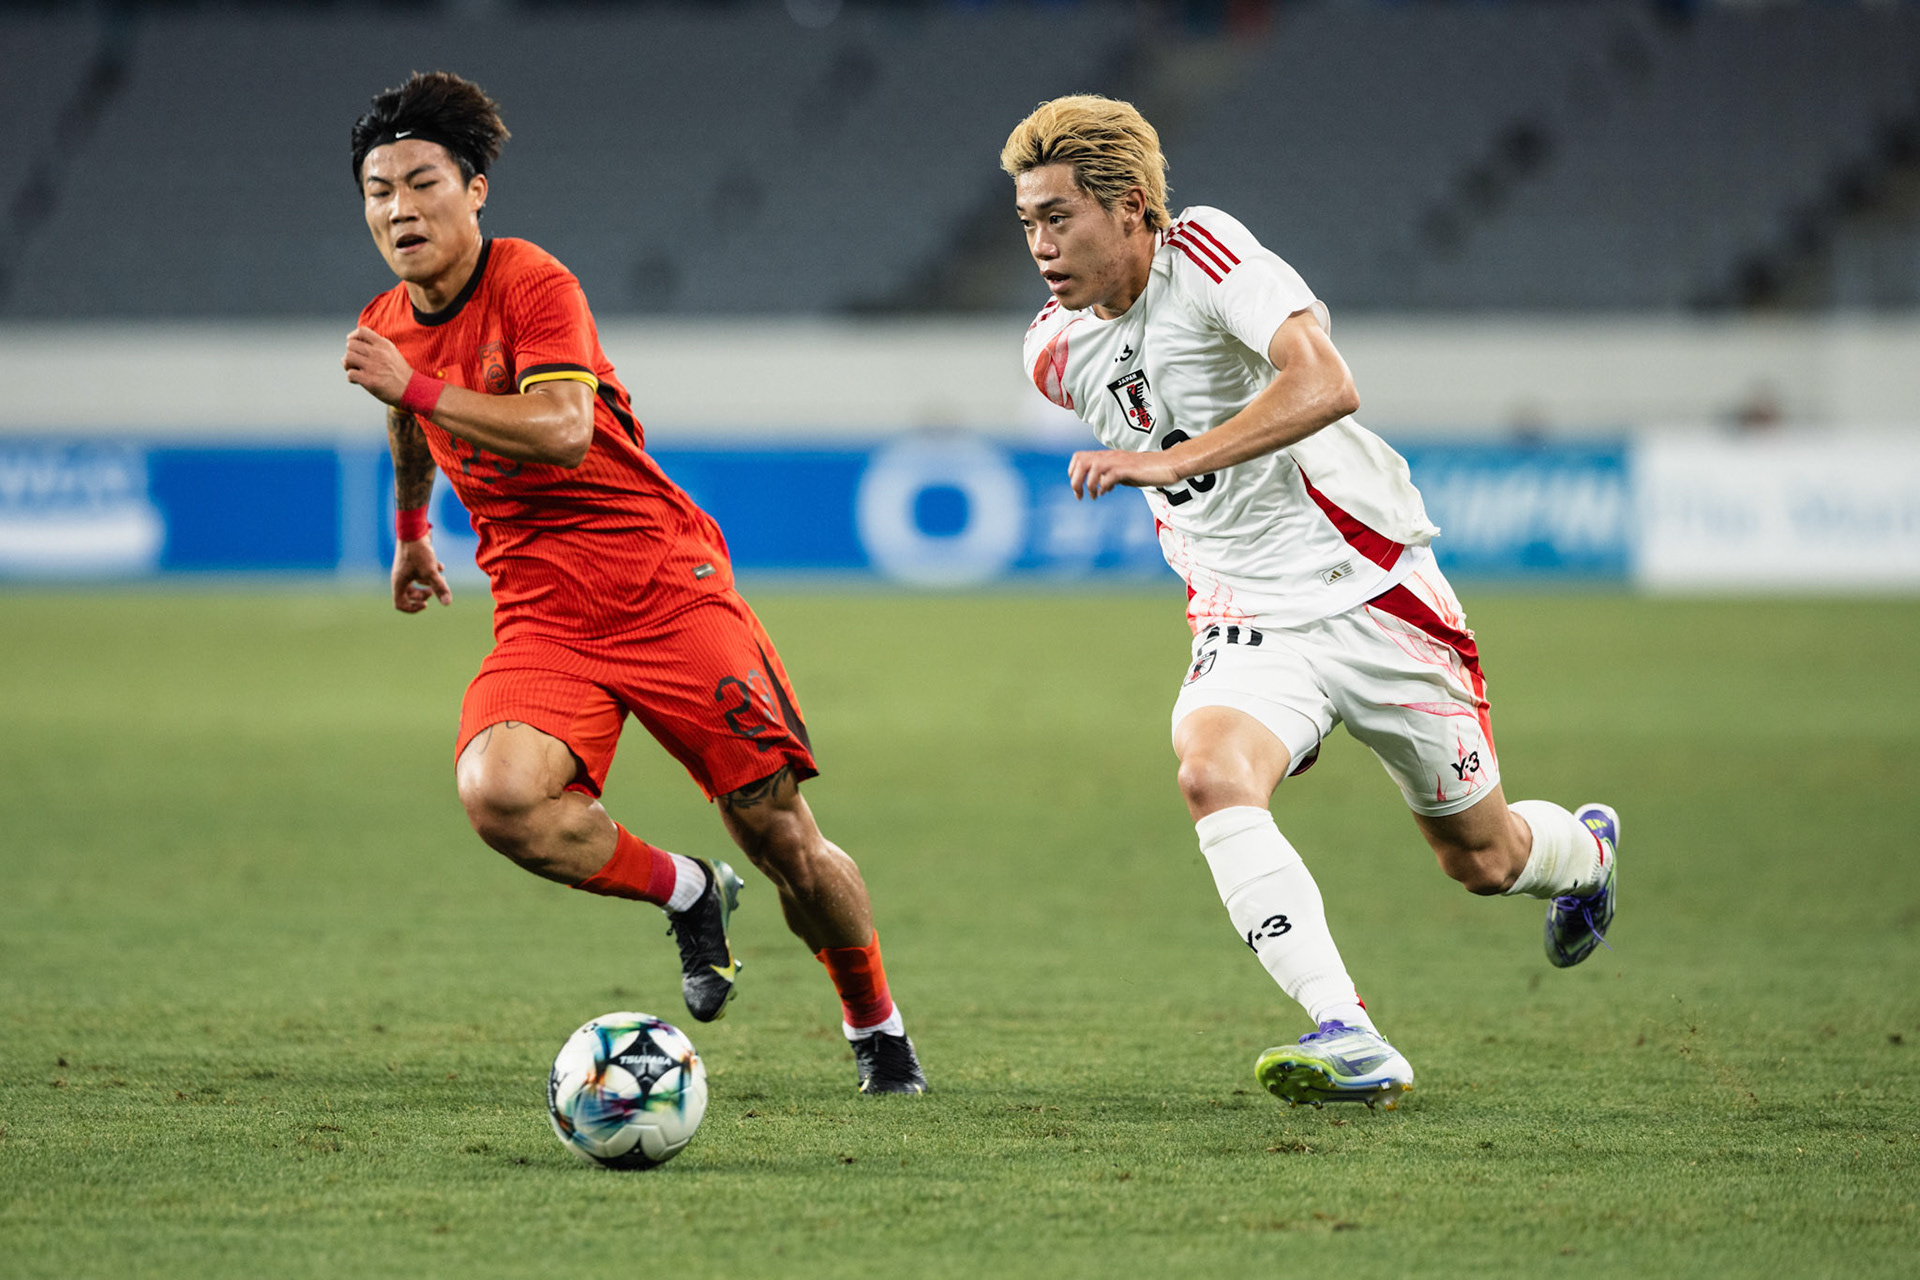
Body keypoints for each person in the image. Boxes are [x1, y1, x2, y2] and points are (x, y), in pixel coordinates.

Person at [1003, 96, 1616, 1109]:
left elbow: (1325, 381)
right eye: (1026, 221)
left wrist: (1165, 464)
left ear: (1133, 208)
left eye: (1059, 216)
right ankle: (1351, 1030)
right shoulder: (1054, 354)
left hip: (1374, 594)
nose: (1039, 243)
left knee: (1482, 854)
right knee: (1209, 773)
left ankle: (1586, 853)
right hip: (1246, 619)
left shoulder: (1205, 253)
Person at [340, 71, 925, 1094]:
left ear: (474, 190)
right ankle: (689, 889)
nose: (398, 208)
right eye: (378, 191)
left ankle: (876, 1027)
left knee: (781, 832)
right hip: (541, 612)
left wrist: (416, 386)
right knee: (501, 797)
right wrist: (408, 531)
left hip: (660, 582)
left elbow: (564, 432)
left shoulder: (532, 282)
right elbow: (406, 418)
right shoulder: (387, 319)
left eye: (421, 182)